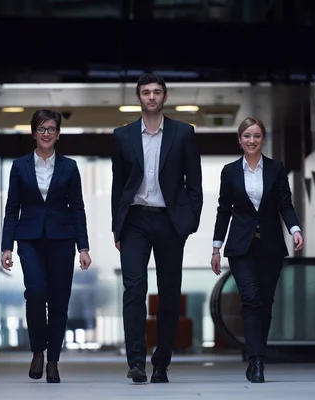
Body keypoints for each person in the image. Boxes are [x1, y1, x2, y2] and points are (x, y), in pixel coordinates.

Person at [111, 73, 203, 383]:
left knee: (169, 295)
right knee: (134, 289)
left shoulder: (183, 133)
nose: (151, 97)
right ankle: (136, 362)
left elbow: (195, 184)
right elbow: (118, 186)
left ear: (164, 97)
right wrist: (117, 227)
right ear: (138, 98)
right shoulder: (122, 136)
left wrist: (188, 223)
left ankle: (161, 362)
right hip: (135, 220)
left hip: (169, 221)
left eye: (157, 92)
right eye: (146, 92)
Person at [1, 108, 92, 383]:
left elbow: (77, 208)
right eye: (41, 129)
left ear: (58, 134)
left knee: (60, 301)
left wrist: (83, 247)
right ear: (33, 133)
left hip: (62, 240)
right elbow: (11, 208)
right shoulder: (19, 167)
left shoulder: (69, 167)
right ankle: (37, 351)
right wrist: (7, 247)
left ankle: (53, 360)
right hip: (29, 239)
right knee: (36, 293)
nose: (46, 134)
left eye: (51, 129)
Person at [210, 117, 303, 383]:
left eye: (257, 136)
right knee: (250, 300)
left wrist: (295, 229)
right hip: (240, 246)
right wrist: (216, 247)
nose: (252, 140)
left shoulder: (275, 169)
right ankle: (256, 360)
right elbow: (223, 210)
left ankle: (257, 355)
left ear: (263, 140)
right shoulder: (229, 172)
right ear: (239, 140)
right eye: (247, 136)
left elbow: (285, 203)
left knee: (265, 303)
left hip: (271, 244)